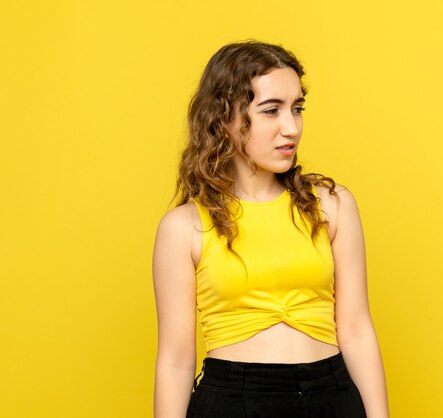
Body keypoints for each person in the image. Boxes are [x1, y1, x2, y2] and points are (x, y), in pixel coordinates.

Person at [152, 40, 389, 418]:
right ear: (223, 120)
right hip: (232, 402)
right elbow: (176, 361)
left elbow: (357, 329)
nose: (291, 127)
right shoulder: (185, 227)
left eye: (297, 109)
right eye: (271, 110)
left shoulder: (331, 205)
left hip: (330, 395)